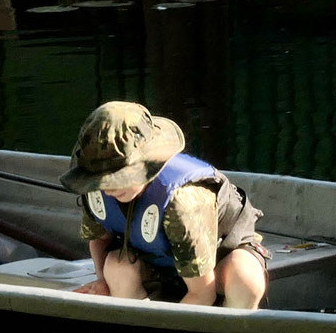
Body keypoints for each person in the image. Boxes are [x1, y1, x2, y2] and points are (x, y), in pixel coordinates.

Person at [64, 101, 268, 308]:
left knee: (245, 279)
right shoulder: (96, 191)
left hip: (212, 270)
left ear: (148, 163)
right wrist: (102, 280)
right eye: (99, 178)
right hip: (159, 264)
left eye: (118, 177)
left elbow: (202, 294)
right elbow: (100, 238)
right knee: (117, 268)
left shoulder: (184, 201)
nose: (108, 188)